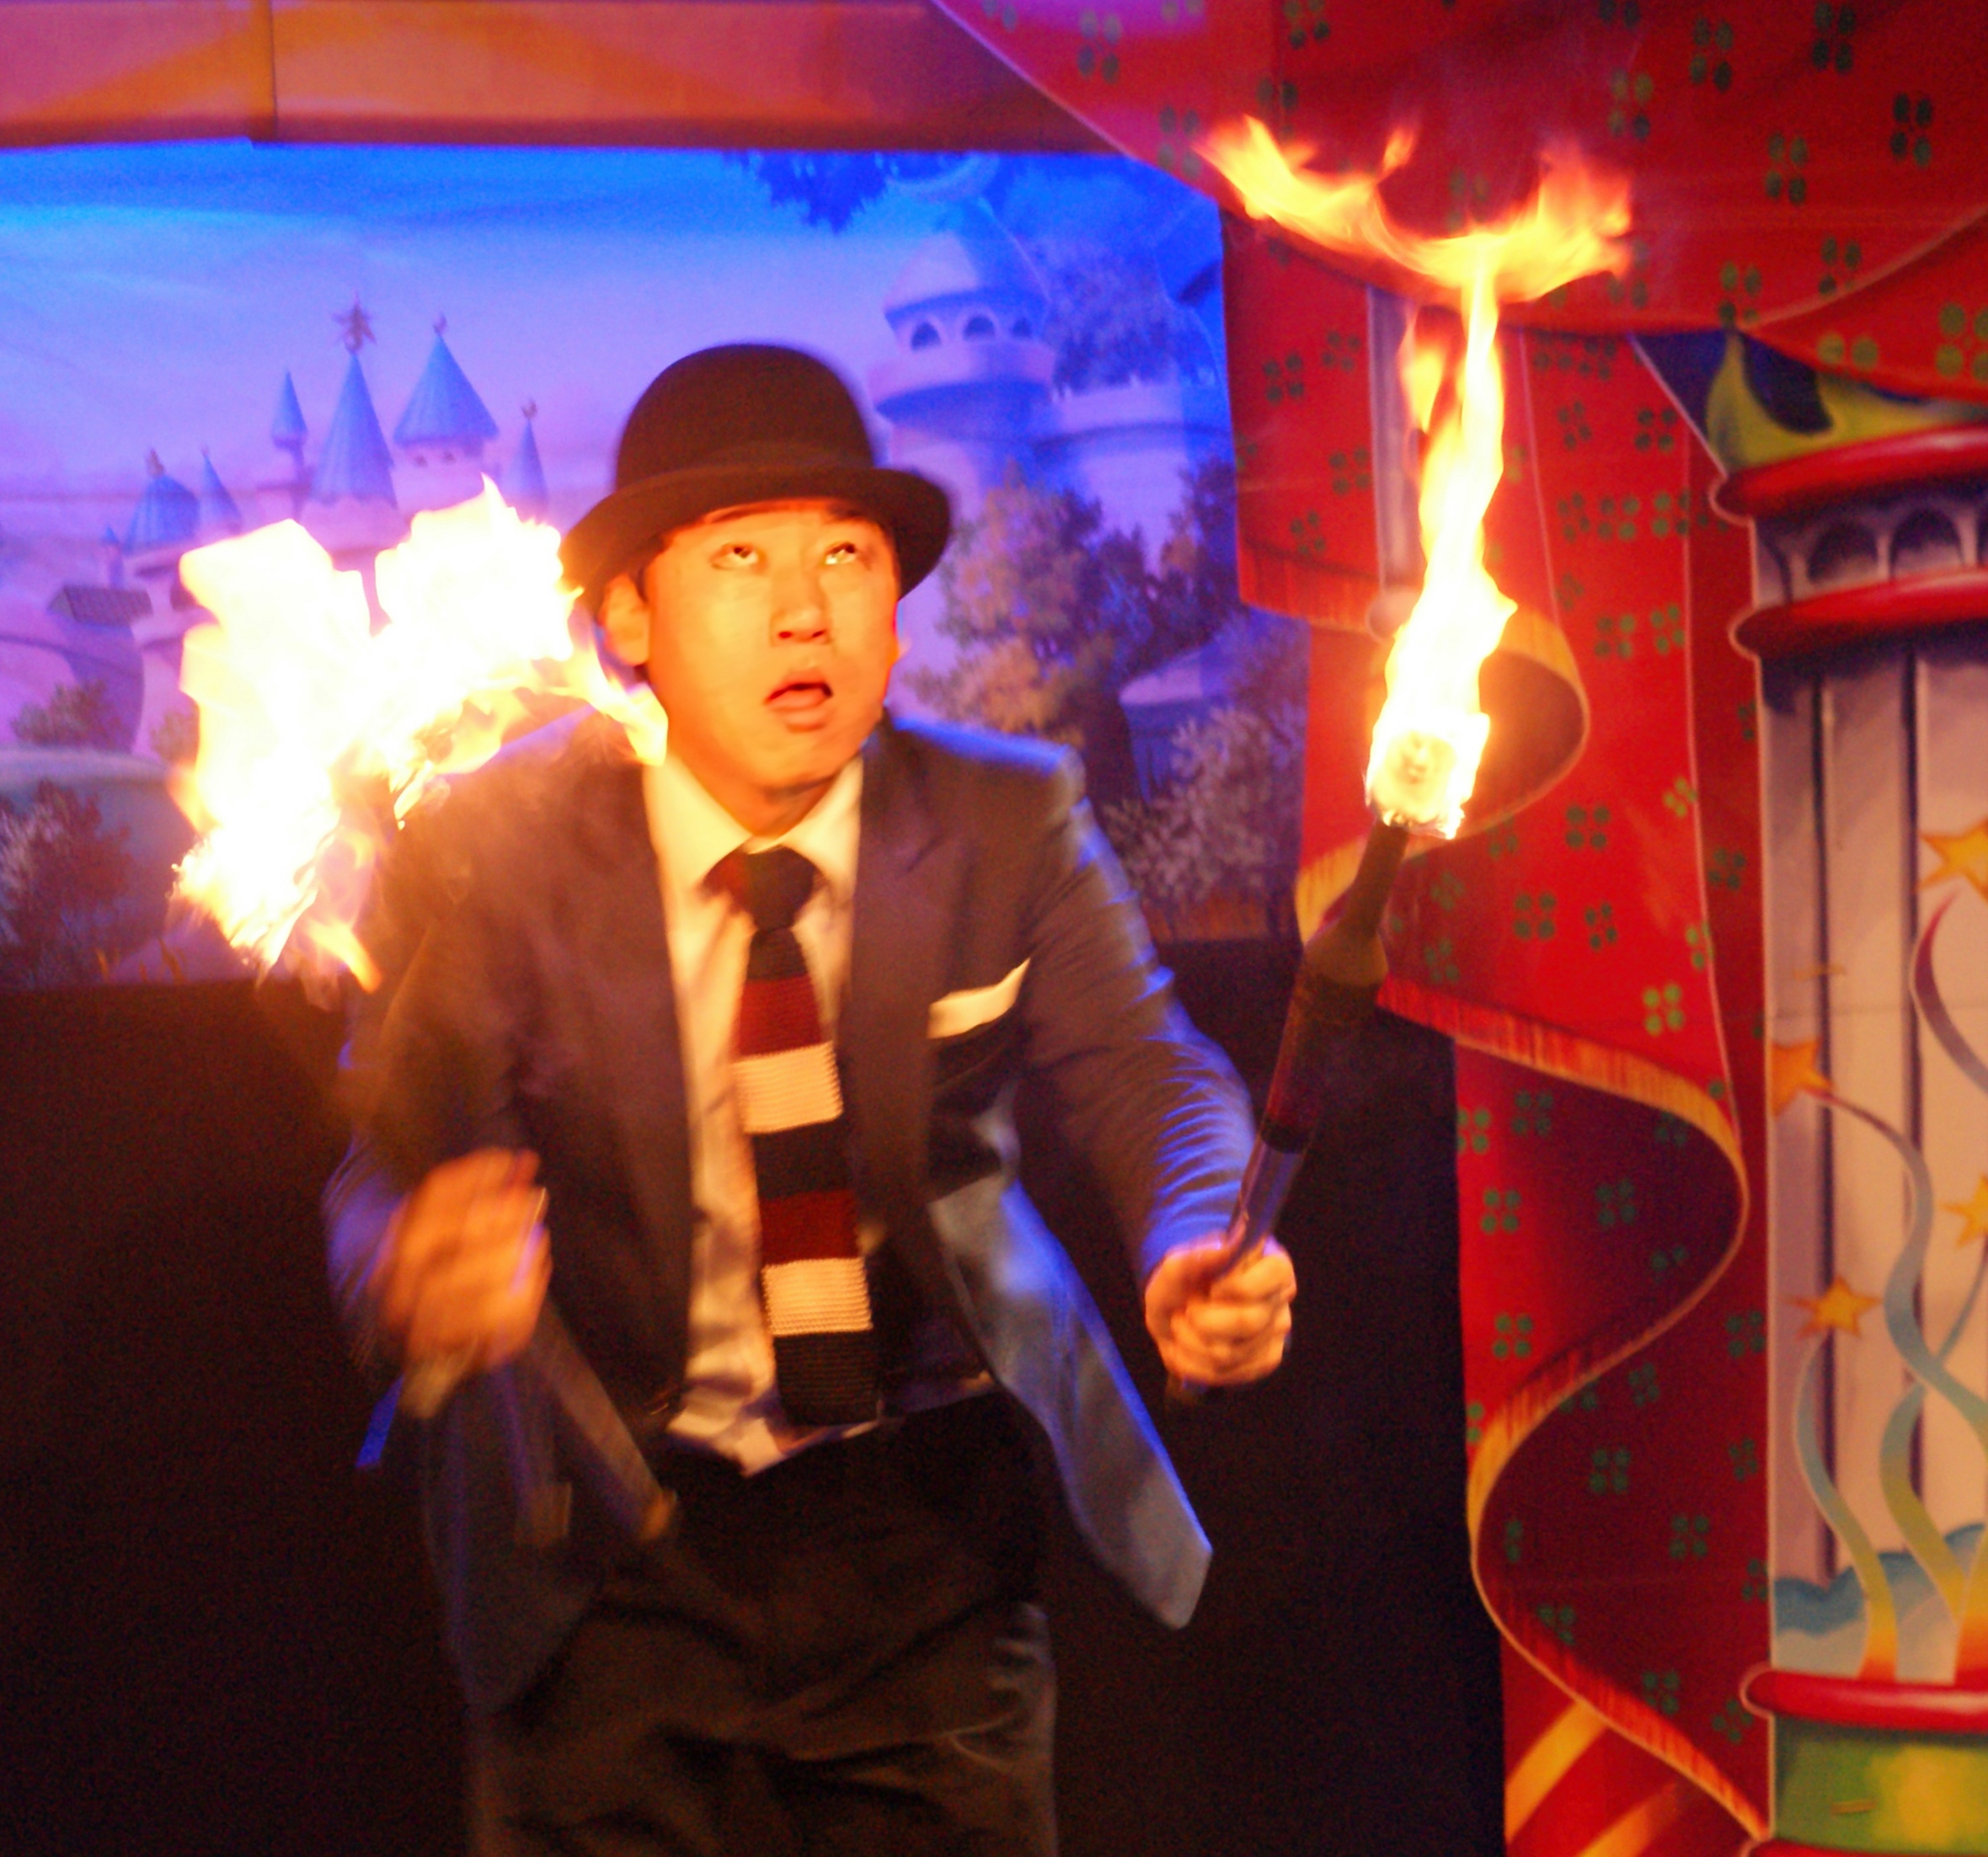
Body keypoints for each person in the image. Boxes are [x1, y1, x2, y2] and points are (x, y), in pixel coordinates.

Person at [324, 342, 1297, 1854]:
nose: (805, 609)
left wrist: (1197, 1231)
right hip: (607, 1538)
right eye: (741, 557)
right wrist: (407, 1266)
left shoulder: (1004, 813)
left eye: (846, 555)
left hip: (920, 1536)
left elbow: (1148, 1067)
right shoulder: (493, 843)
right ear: (630, 613)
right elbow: (377, 1169)